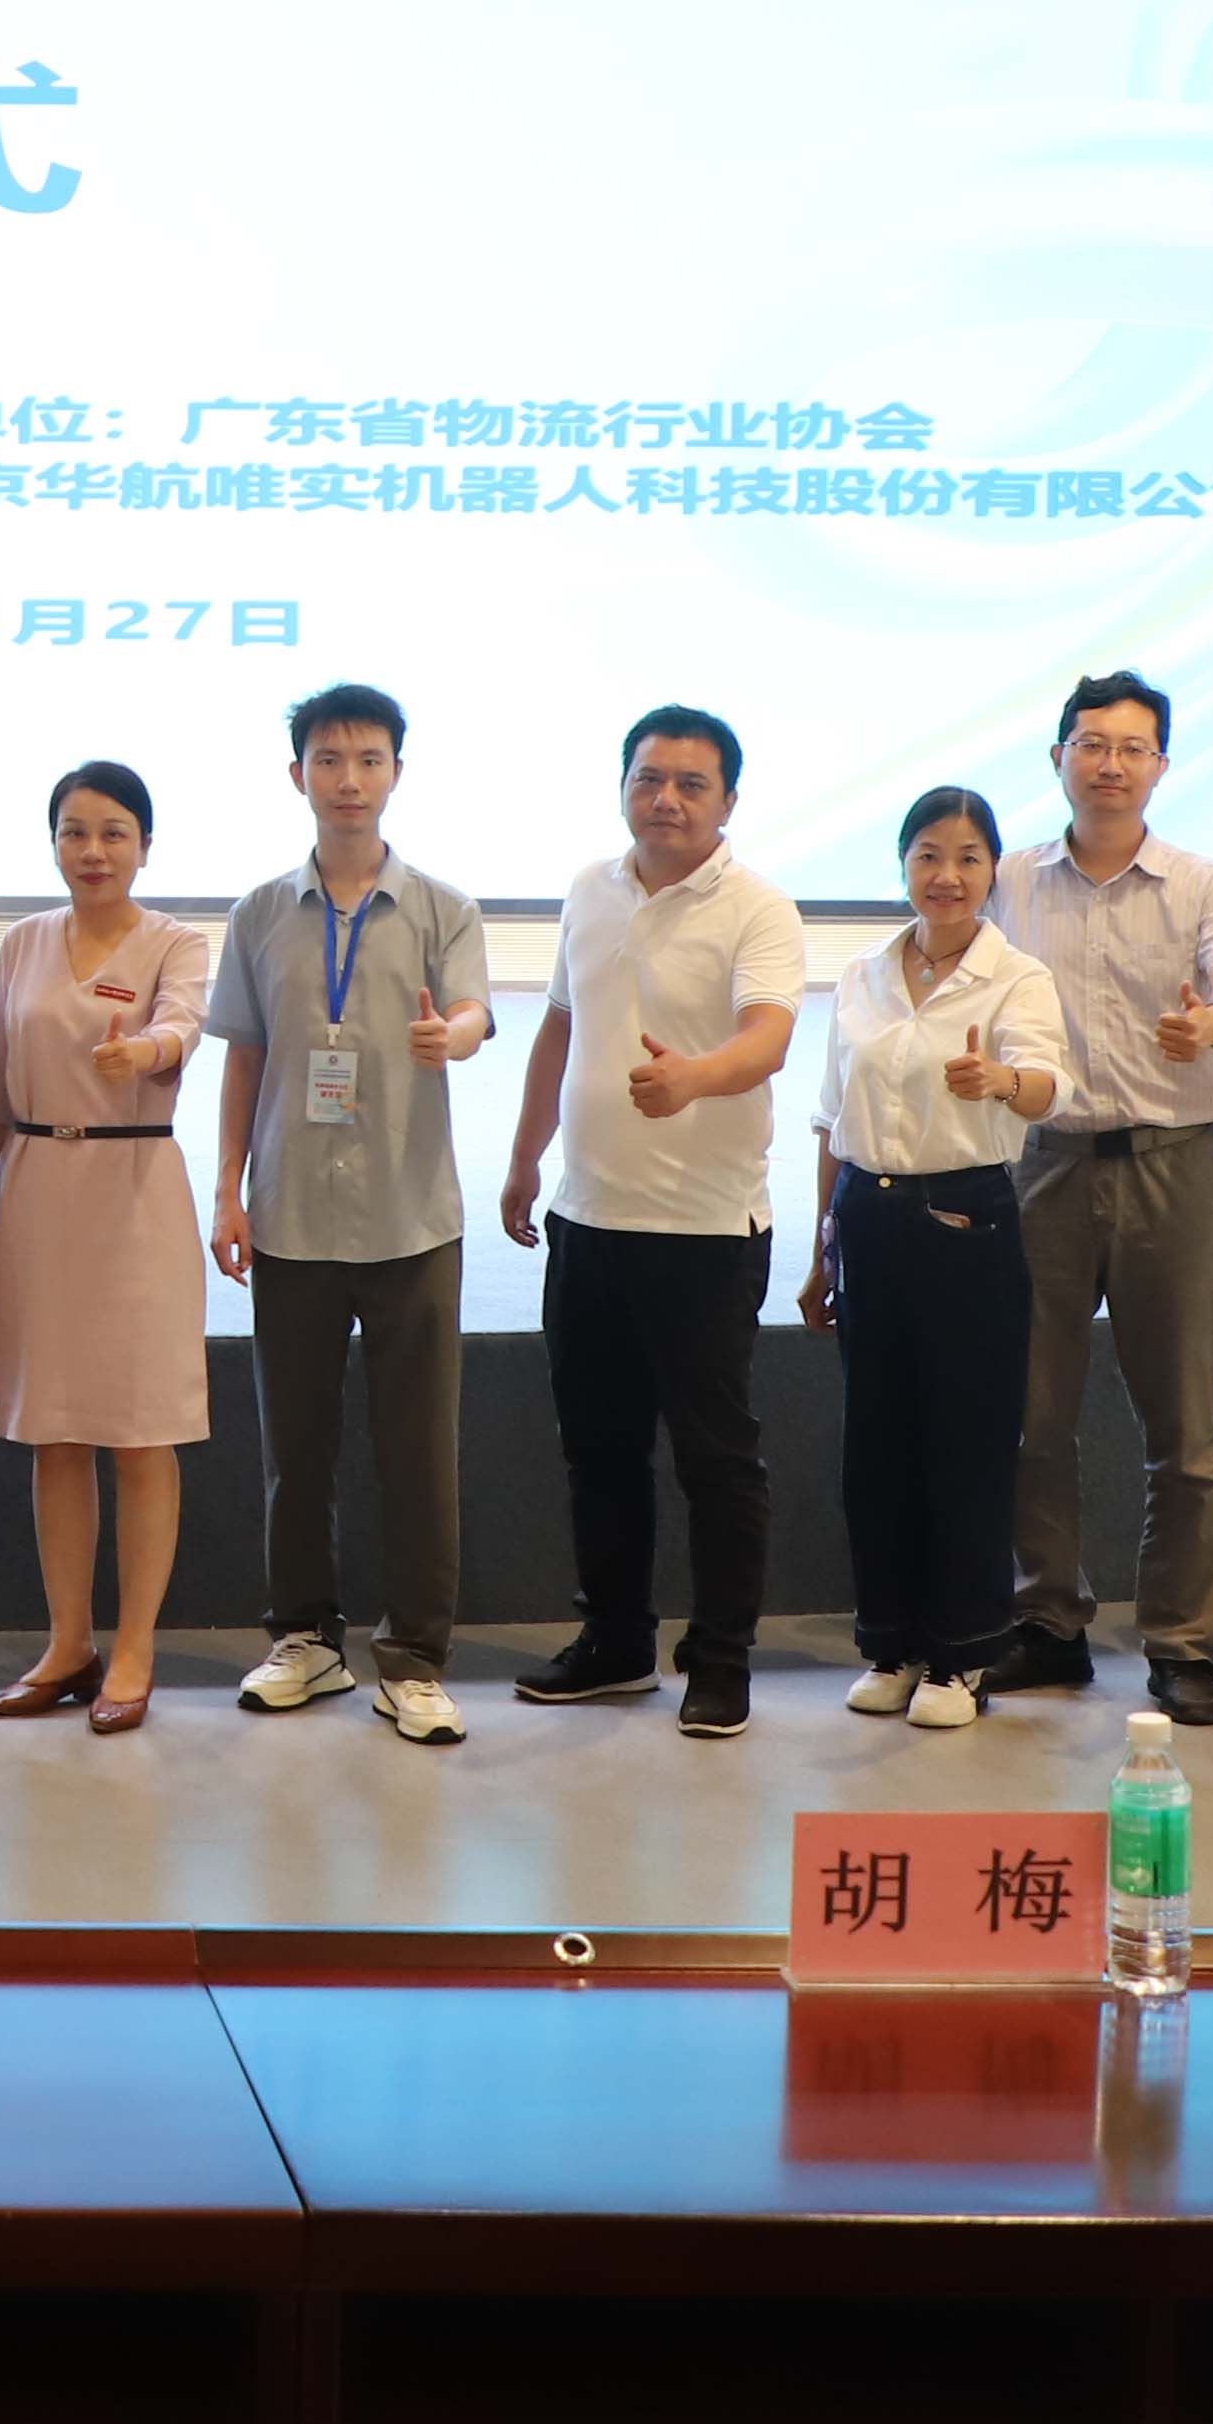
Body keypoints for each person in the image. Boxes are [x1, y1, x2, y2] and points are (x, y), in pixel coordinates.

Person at [497, 705, 807, 1740]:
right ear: (624, 785)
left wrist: (692, 1078)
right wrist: (524, 1155)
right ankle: (617, 1643)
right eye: (649, 778)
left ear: (728, 800)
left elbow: (768, 1039)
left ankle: (721, 1661)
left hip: (706, 1230)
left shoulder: (759, 907)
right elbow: (559, 1027)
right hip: (587, 1218)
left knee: (716, 1460)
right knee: (600, 1451)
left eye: (690, 783)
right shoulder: (590, 888)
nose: (666, 799)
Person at [205, 683, 495, 1747]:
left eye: (369, 759)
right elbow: (245, 1055)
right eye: (328, 759)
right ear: (298, 775)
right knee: (296, 1448)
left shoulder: (441, 907)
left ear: (396, 773)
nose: (348, 779)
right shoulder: (258, 914)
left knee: (419, 1451)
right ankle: (305, 1638)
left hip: (410, 1214)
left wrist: (452, 1036)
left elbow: (473, 1011)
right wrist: (227, 1187)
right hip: (290, 1214)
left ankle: (413, 1659)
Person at [983, 671, 1213, 1724]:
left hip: (1173, 1165)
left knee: (1185, 1425)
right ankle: (1047, 1622)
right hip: (1041, 1164)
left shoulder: (1202, 880)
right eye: (1092, 743)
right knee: (1032, 1415)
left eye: (1132, 747)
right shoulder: (1007, 880)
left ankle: (1181, 1639)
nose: (1110, 763)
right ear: (1057, 756)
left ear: (1162, 765)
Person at [802, 788, 1068, 1728]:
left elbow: (1048, 1088)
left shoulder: (1016, 977)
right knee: (875, 1445)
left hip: (965, 1218)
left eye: (967, 857)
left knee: (965, 1441)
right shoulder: (862, 973)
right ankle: (894, 1644)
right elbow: (830, 1117)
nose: (946, 875)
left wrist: (1001, 1078)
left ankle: (961, 1657)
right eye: (927, 855)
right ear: (903, 865)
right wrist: (821, 1246)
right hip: (865, 1216)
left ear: (994, 871)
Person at [0, 760, 214, 1733]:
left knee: (142, 1429)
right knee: (56, 1429)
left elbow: (182, 1024)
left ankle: (135, 1648)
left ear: (145, 844)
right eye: (74, 831)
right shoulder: (22, 942)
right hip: (35, 1189)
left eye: (114, 832)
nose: (93, 850)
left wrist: (142, 1050)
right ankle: (67, 1643)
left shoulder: (177, 941)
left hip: (135, 1189)